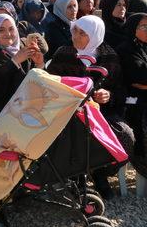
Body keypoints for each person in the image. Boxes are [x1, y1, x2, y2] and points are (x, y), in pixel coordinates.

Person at [47, 15, 135, 199]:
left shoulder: (109, 55)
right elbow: (50, 83)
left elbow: (121, 90)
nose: (76, 37)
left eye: (83, 33)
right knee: (73, 135)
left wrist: (108, 95)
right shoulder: (64, 53)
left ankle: (99, 173)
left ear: (95, 35)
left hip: (102, 112)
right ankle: (75, 176)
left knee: (125, 136)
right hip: (68, 111)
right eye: (75, 31)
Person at [117, 13, 147, 178]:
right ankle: (141, 158)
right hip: (131, 99)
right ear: (133, 29)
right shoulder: (125, 49)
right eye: (144, 27)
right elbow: (139, 78)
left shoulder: (144, 47)